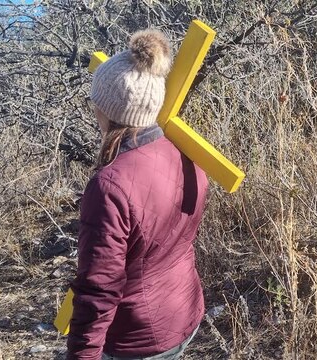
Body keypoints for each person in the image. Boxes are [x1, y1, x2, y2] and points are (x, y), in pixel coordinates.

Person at [66, 29, 209, 360]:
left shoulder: (108, 187)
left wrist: (82, 355)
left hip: (138, 339)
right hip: (185, 311)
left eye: (96, 102)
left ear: (107, 109)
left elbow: (99, 289)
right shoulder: (187, 156)